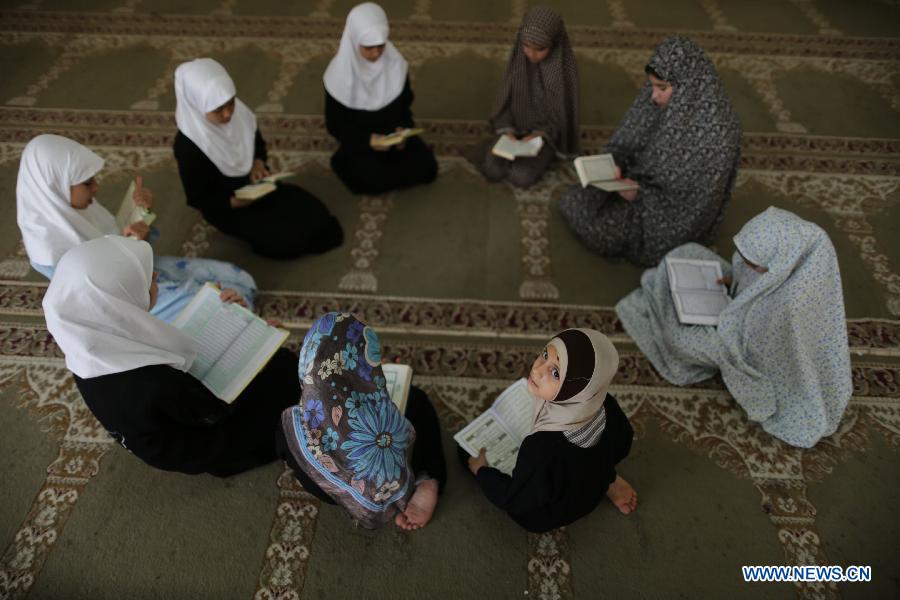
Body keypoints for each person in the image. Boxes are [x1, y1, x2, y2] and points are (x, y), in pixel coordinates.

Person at [43, 236, 300, 476]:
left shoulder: (88, 348)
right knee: (282, 371)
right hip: (203, 442)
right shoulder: (154, 384)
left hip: (170, 416)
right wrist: (256, 338)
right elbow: (215, 409)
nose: (156, 275)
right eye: (145, 278)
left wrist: (229, 316)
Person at [616, 207, 852, 448]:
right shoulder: (788, 257)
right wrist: (736, 283)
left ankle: (665, 303)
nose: (743, 263)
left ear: (778, 263)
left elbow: (751, 352)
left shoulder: (792, 307)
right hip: (734, 309)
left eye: (752, 263)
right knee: (689, 252)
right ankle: (670, 298)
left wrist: (725, 314)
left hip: (739, 343)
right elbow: (752, 280)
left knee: (678, 340)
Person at [16, 133, 256, 323]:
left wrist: (141, 216)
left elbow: (117, 236)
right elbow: (102, 293)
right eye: (87, 183)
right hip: (124, 303)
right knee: (221, 310)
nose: (97, 188)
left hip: (145, 272)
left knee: (238, 279)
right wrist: (129, 247)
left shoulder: (71, 208)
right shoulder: (48, 248)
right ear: (54, 187)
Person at [559, 36, 741, 266]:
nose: (653, 96)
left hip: (665, 218)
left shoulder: (718, 136)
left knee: (597, 231)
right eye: (652, 85)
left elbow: (696, 207)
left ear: (687, 86)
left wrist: (640, 195)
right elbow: (628, 137)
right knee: (574, 202)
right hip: (630, 181)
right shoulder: (661, 97)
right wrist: (616, 162)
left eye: (661, 88)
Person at [277, 312, 447, 530]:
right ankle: (427, 480)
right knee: (416, 401)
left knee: (293, 425)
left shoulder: (293, 424)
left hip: (329, 487)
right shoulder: (388, 425)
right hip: (395, 467)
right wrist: (367, 373)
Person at [464, 328, 636, 533]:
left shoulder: (542, 447)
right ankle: (609, 481)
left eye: (555, 372)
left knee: (464, 453)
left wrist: (482, 471)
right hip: (591, 488)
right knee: (591, 464)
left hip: (554, 512)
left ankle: (603, 479)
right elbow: (624, 442)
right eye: (545, 354)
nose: (537, 370)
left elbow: (514, 499)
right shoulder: (603, 402)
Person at [173, 58, 343, 258]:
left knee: (316, 214)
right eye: (218, 110)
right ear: (196, 107)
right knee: (288, 239)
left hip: (257, 185)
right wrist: (236, 202)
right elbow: (199, 197)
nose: (228, 114)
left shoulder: (240, 114)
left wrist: (257, 164)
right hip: (229, 206)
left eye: (230, 103)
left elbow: (258, 145)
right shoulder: (188, 146)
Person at [324, 2, 437, 195]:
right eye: (368, 48)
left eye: (380, 46)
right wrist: (368, 141)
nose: (376, 54)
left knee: (427, 169)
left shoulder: (396, 65)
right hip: (362, 140)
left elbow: (404, 105)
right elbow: (336, 125)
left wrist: (402, 130)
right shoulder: (338, 77)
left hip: (392, 135)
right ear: (354, 42)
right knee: (370, 181)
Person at [479, 5, 578, 189]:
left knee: (521, 176)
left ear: (554, 43)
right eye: (526, 46)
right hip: (513, 130)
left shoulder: (563, 70)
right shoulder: (519, 59)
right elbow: (505, 102)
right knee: (493, 170)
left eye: (540, 49)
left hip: (544, 135)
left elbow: (561, 117)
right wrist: (507, 130)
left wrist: (537, 135)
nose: (531, 54)